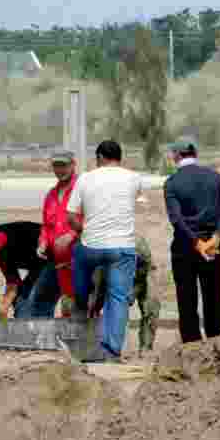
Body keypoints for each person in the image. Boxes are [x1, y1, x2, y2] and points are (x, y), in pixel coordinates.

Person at [66, 140, 143, 363]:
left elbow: (71, 217)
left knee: (79, 261)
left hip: (91, 246)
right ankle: (112, 351)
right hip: (122, 247)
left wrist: (84, 230)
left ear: (99, 157)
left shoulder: (85, 178)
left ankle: (81, 301)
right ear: (120, 158)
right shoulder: (134, 178)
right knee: (117, 297)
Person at [162, 137, 220, 344]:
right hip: (213, 245)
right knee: (214, 297)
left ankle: (192, 346)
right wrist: (216, 237)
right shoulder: (215, 178)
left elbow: (177, 219)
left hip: (185, 247)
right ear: (196, 154)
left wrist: (196, 243)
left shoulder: (172, 183)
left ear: (176, 155)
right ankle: (216, 342)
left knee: (187, 299)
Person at [86, 235, 160, 353]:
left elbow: (146, 269)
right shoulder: (105, 250)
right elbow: (98, 283)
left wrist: (133, 289)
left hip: (141, 276)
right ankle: (90, 341)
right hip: (111, 273)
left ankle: (146, 347)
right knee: (94, 303)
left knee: (152, 305)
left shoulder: (138, 246)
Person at [30, 150, 82, 318]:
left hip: (78, 259)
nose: (59, 170)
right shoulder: (51, 195)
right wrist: (43, 242)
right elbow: (46, 226)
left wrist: (73, 234)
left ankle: (78, 342)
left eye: (64, 165)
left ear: (73, 165)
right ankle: (45, 341)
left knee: (73, 305)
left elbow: (94, 218)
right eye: (56, 165)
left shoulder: (83, 190)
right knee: (39, 300)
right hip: (56, 259)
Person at [0, 221, 49, 319]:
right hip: (41, 263)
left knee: (28, 300)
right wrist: (3, 310)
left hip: (52, 252)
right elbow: (13, 283)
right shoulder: (2, 252)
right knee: (22, 299)